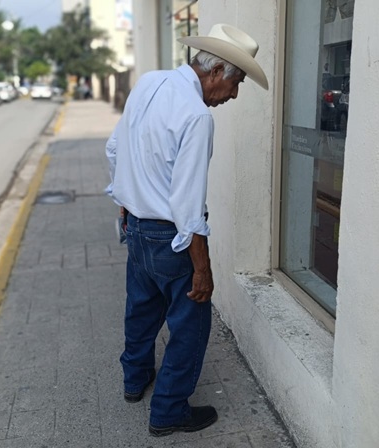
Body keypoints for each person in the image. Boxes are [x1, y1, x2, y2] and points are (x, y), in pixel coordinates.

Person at [105, 24, 269, 437]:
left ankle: (134, 380)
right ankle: (168, 410)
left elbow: (115, 147)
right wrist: (203, 269)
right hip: (170, 238)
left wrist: (125, 199)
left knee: (141, 310)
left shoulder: (149, 82)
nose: (234, 95)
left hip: (136, 226)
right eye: (237, 82)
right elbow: (188, 206)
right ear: (216, 73)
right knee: (190, 326)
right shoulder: (196, 116)